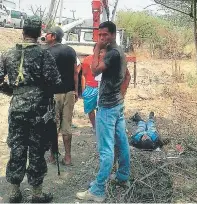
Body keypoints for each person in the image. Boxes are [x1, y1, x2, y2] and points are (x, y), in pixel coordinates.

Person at [0, 16, 62, 203]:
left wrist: (14, 92)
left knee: (17, 148)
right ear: (39, 34)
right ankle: (36, 193)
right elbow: (55, 82)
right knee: (36, 149)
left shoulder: (8, 53)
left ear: (23, 31)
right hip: (39, 110)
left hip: (17, 107)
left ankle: (14, 192)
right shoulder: (44, 55)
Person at [76, 21, 131, 202]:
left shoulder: (113, 53)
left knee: (105, 149)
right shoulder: (119, 51)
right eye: (100, 36)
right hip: (116, 104)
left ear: (113, 34)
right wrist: (121, 96)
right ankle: (123, 176)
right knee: (121, 142)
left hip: (108, 106)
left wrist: (97, 48)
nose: (102, 38)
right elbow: (126, 75)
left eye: (105, 35)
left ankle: (98, 190)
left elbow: (93, 70)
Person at [45, 26, 79, 166]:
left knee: (53, 125)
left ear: (53, 36)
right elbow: (75, 73)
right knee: (67, 125)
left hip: (54, 94)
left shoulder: (47, 52)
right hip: (70, 93)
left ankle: (53, 157)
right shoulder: (71, 50)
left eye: (47, 34)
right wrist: (76, 91)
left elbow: (45, 76)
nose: (45, 36)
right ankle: (68, 157)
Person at [81, 46, 106, 130]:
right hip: (90, 87)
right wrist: (83, 89)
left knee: (102, 109)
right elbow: (83, 75)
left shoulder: (106, 61)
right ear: (93, 50)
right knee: (90, 109)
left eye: (101, 51)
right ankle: (94, 126)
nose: (99, 53)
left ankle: (101, 127)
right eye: (98, 50)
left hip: (103, 88)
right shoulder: (87, 59)